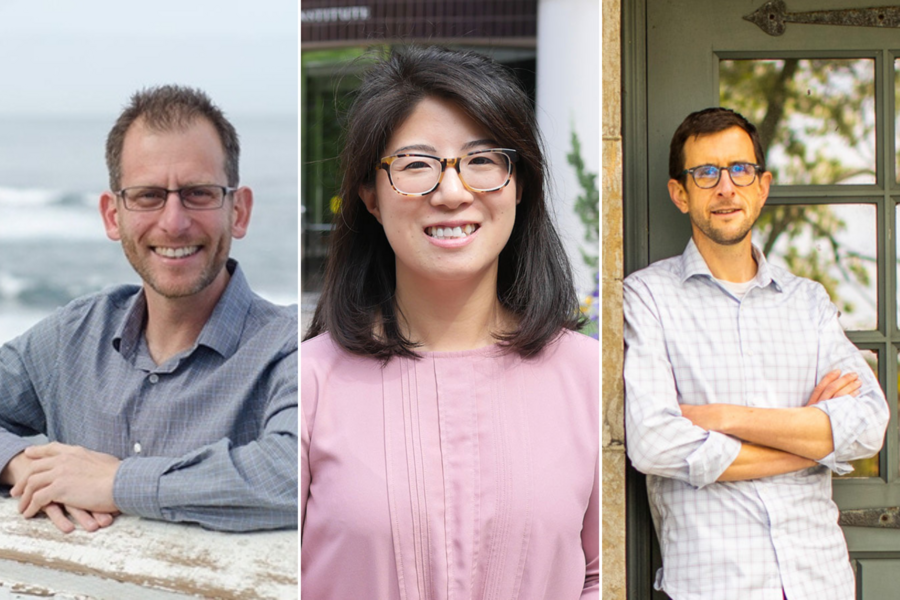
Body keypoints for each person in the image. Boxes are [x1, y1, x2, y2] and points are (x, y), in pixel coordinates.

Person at [301, 45, 599, 599]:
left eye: (483, 161)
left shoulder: (586, 374)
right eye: (417, 166)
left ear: (519, 184)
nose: (453, 191)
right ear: (369, 194)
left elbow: (601, 576)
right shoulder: (309, 381)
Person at [0, 85, 297, 534]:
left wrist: (116, 483)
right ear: (111, 215)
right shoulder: (72, 336)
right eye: (147, 195)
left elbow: (297, 472)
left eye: (198, 193)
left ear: (239, 211)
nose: (174, 222)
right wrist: (21, 464)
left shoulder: (291, 348)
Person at [624, 107, 889, 599]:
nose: (726, 187)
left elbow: (869, 423)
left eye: (740, 170)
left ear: (762, 186)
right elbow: (654, 441)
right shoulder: (647, 297)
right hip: (716, 586)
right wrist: (809, 444)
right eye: (705, 173)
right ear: (680, 194)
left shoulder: (807, 301)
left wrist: (724, 417)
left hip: (821, 582)